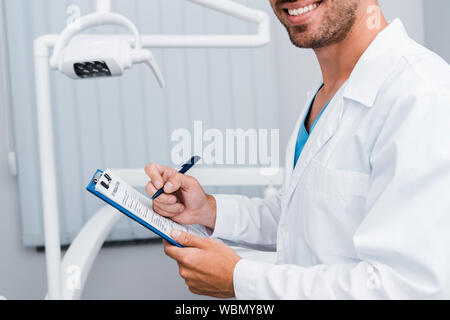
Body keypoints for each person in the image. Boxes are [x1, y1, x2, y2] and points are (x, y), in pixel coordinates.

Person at [145, 0, 450, 299]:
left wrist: (241, 280)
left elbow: (408, 287)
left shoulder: (420, 95)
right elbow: (304, 216)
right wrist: (209, 210)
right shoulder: (328, 94)